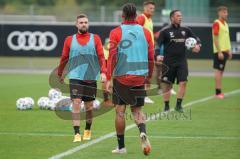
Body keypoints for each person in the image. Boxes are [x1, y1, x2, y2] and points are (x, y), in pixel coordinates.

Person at [106, 3, 154, 155]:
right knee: (137, 110)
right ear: (136, 16)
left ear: (122, 16)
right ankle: (142, 131)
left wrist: (107, 78)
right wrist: (149, 77)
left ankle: (121, 147)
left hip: (122, 78)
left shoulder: (116, 32)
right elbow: (151, 58)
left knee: (120, 112)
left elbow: (112, 58)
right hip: (140, 77)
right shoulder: (146, 32)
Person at [57, 14, 107, 142]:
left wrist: (104, 72)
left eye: (85, 22)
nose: (83, 24)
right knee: (76, 103)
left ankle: (87, 130)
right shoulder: (69, 40)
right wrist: (60, 73)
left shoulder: (95, 39)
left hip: (91, 77)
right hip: (75, 77)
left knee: (89, 107)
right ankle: (77, 134)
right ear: (76, 24)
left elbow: (101, 57)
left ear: (88, 24)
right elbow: (64, 58)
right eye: (81, 22)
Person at [156, 10, 201, 112]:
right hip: (168, 62)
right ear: (172, 18)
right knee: (167, 84)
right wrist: (158, 55)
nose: (180, 17)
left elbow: (196, 38)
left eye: (181, 15)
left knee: (183, 82)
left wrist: (198, 45)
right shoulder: (165, 31)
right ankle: (166, 106)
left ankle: (178, 105)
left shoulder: (186, 30)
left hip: (181, 61)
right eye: (178, 16)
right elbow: (157, 44)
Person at [136, 0, 155, 104]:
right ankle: (142, 95)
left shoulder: (150, 19)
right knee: (143, 73)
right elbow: (136, 30)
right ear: (145, 8)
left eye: (153, 8)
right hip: (143, 50)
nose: (152, 10)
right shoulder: (141, 18)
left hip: (149, 49)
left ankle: (145, 95)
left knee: (149, 73)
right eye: (150, 8)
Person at [212, 6, 232, 99]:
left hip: (225, 51)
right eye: (224, 12)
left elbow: (226, 39)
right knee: (219, 71)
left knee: (221, 72)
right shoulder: (217, 23)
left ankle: (219, 91)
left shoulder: (226, 24)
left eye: (226, 12)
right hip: (219, 51)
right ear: (219, 13)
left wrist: (229, 50)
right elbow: (215, 38)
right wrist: (219, 51)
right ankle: (217, 93)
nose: (226, 14)